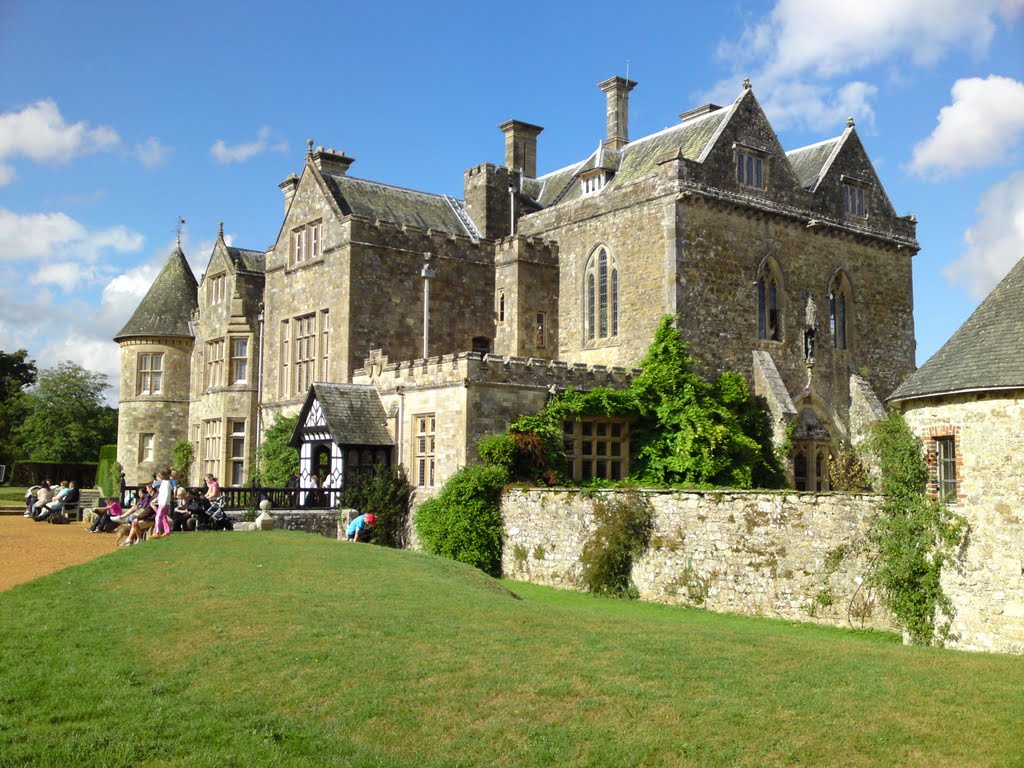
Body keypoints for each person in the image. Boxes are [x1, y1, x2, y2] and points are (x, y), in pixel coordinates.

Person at [151, 470, 173, 539]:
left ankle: (157, 532)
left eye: (157, 477)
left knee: (158, 517)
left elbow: (166, 494)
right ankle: (167, 531)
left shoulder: (166, 483)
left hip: (164, 503)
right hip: (163, 503)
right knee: (163, 517)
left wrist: (164, 503)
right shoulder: (164, 483)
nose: (157, 479)